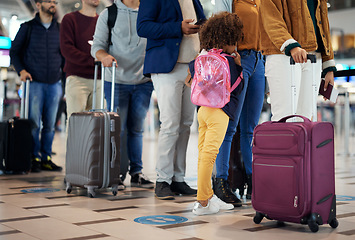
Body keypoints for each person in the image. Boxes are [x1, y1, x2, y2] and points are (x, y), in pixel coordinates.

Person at [137, 0, 206, 200]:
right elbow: (143, 27)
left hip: (192, 69)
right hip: (167, 67)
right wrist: (178, 27)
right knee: (170, 124)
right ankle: (162, 180)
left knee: (186, 124)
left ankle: (178, 178)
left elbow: (202, 21)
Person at [91, 0, 154, 189]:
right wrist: (104, 56)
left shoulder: (149, 11)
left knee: (136, 129)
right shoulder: (108, 14)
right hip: (116, 81)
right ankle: (116, 172)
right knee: (117, 129)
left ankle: (137, 172)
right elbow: (97, 46)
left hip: (144, 82)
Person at [188, 11, 244, 215]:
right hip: (220, 113)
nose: (236, 45)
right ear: (228, 39)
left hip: (202, 110)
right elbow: (236, 89)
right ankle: (203, 202)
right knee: (209, 156)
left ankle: (208, 197)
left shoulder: (203, 56)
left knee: (203, 154)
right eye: (234, 41)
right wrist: (239, 67)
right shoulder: (228, 60)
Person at [213, 0, 266, 203]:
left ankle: (253, 181)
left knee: (251, 129)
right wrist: (231, 54)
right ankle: (221, 182)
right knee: (229, 126)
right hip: (238, 59)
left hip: (259, 61)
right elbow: (220, 26)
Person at [260, 0, 336, 122]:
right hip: (283, 54)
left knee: (306, 117)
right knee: (285, 117)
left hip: (313, 57)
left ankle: (303, 142)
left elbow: (323, 24)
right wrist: (290, 44)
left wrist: (328, 65)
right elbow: (270, 16)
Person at [10, 0, 63, 172]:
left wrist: (63, 75)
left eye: (55, 1)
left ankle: (46, 156)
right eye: (49, 1)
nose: (53, 4)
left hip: (54, 83)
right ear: (39, 5)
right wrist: (21, 71)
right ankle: (33, 157)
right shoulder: (28, 27)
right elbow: (14, 52)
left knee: (50, 124)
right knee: (34, 123)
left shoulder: (60, 29)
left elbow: (64, 55)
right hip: (34, 83)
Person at [60, 0, 103, 131]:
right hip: (77, 78)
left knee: (98, 125)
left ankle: (93, 152)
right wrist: (93, 60)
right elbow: (67, 49)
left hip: (100, 79)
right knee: (76, 123)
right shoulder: (70, 19)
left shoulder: (103, 21)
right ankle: (74, 152)